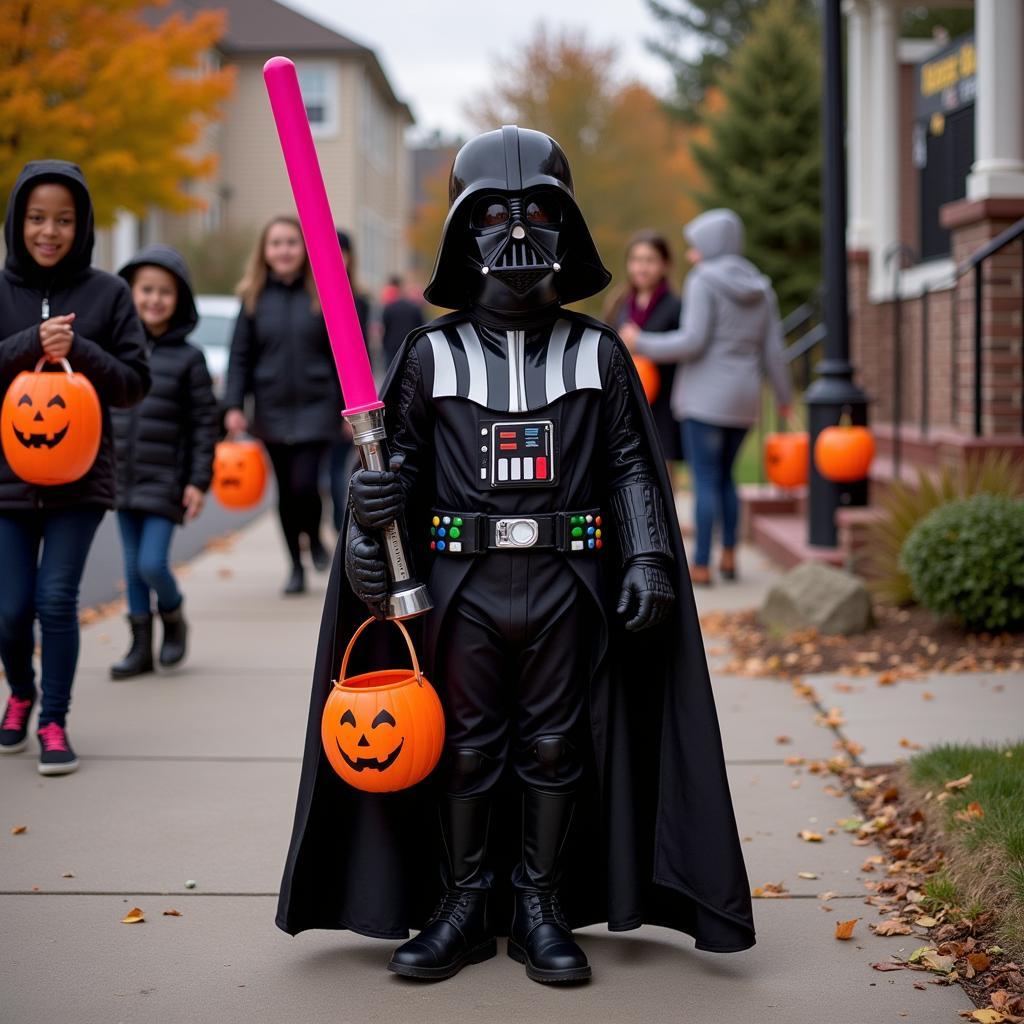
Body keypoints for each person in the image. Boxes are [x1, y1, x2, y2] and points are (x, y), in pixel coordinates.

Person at [277, 127, 755, 982]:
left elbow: (630, 465)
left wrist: (647, 558)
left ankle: (541, 905)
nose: (517, 230)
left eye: (538, 210)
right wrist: (365, 513)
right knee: (461, 744)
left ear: (568, 226)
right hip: (461, 585)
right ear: (464, 232)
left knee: (554, 744)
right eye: (494, 213)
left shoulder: (599, 352)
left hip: (571, 582)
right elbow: (398, 473)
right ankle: (462, 904)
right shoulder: (429, 355)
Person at [0, 160, 149, 774]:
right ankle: (22, 694)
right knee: (10, 609)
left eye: (63, 219)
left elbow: (135, 383)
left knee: (56, 600)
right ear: (18, 221)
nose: (49, 231)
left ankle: (55, 720)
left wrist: (79, 350)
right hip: (7, 482)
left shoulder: (107, 294)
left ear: (81, 224)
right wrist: (31, 343)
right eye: (37, 218)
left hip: (81, 482)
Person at [622, 209, 792, 586]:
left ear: (713, 245)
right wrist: (784, 397)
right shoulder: (761, 287)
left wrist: (641, 341)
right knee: (726, 477)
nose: (691, 256)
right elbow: (774, 349)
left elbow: (692, 342)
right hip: (745, 398)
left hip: (704, 398)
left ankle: (700, 563)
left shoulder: (703, 281)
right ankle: (729, 554)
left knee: (705, 479)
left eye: (696, 247)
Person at [109, 245, 219, 679]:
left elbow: (203, 424)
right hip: (121, 475)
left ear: (180, 300)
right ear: (130, 294)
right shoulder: (117, 350)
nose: (154, 299)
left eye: (165, 292)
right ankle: (140, 648)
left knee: (151, 563)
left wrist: (198, 480)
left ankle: (173, 615)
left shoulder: (189, 358)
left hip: (166, 479)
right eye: (146, 290)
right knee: (131, 565)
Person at [224, 216, 341, 595]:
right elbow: (239, 356)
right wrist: (234, 405)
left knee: (306, 485)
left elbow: (342, 354)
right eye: (276, 243)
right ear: (265, 252)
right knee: (286, 494)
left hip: (317, 406)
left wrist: (347, 405)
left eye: (291, 242)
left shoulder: (322, 293)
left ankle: (315, 537)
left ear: (304, 249)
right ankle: (295, 564)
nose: (284, 250)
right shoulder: (253, 298)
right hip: (271, 409)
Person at [602, 231, 683, 467]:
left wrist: (642, 342)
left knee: (663, 464)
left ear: (665, 265)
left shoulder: (675, 306)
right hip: (626, 396)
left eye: (650, 260)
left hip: (663, 399)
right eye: (636, 260)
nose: (642, 267)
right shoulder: (618, 302)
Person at [328, 229, 369, 534]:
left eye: (343, 250)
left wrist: (353, 404)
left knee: (337, 467)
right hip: (315, 394)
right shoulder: (312, 297)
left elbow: (361, 351)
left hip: (342, 396)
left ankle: (338, 522)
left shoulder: (359, 300)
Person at [380, 275, 425, 370]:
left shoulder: (389, 308)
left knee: (391, 373)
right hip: (409, 347)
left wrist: (384, 344)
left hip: (391, 347)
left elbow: (385, 327)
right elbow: (421, 328)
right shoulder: (415, 308)